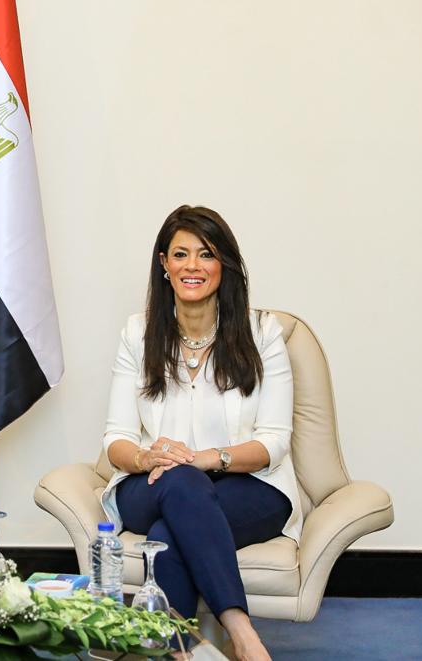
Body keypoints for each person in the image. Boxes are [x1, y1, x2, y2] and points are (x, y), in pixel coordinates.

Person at [100, 205, 302, 661]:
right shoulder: (138, 333)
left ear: (223, 264)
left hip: (250, 486)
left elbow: (274, 442)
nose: (193, 266)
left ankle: (178, 651)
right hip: (151, 483)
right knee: (180, 484)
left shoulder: (262, 333)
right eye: (181, 254)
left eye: (206, 254)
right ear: (164, 264)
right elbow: (116, 439)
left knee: (168, 529)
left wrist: (207, 458)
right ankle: (243, 635)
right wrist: (147, 458)